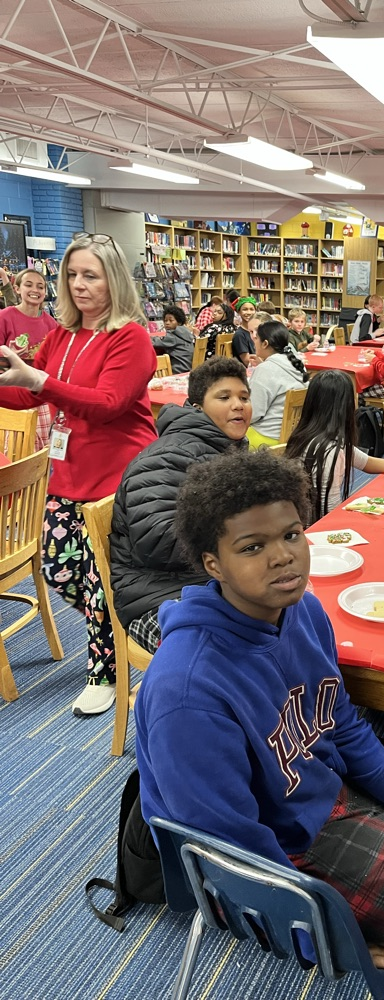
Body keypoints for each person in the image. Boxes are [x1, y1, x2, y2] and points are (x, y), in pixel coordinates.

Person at [135, 449, 384, 1000]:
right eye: (252, 547)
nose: (283, 558)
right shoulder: (188, 691)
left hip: (312, 790)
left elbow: (340, 722)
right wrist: (331, 939)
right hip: (285, 841)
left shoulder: (301, 610)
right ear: (213, 564)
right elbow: (227, 850)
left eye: (292, 535)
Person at [0, 231, 157, 715]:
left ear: (113, 281)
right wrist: (23, 382)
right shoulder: (61, 336)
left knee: (99, 579)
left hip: (116, 476)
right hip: (68, 474)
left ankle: (104, 670)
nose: (79, 284)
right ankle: (113, 638)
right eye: (71, 275)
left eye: (91, 275)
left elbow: (109, 405)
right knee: (60, 568)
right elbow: (30, 396)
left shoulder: (130, 337)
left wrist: (41, 379)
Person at [110, 356, 252, 654]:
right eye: (224, 397)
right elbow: (157, 539)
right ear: (197, 407)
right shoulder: (165, 458)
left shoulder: (230, 450)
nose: (238, 405)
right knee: (230, 654)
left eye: (244, 397)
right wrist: (241, 543)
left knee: (296, 614)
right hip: (158, 596)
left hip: (215, 580)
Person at [285, 370, 384, 522]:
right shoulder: (330, 450)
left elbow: (367, 462)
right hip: (312, 529)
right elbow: (330, 512)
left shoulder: (309, 436)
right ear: (344, 406)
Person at [247, 319, 308, 446]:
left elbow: (253, 414)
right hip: (295, 437)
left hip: (266, 438)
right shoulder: (297, 363)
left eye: (256, 338)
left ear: (265, 343)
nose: (254, 342)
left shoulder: (265, 370)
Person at [0, 267, 55, 360]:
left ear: (45, 292)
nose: (35, 290)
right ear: (17, 289)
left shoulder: (52, 324)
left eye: (40, 287)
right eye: (29, 285)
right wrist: (8, 357)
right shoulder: (4, 317)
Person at [150, 305, 193, 374]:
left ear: (179, 322)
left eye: (171, 320)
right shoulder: (186, 333)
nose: (167, 323)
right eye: (165, 320)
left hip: (177, 370)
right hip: (188, 368)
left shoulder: (173, 335)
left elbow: (155, 342)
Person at [231, 296, 259, 366]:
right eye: (245, 309)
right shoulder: (239, 335)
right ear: (239, 312)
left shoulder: (257, 331)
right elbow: (247, 362)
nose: (249, 312)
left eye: (251, 309)